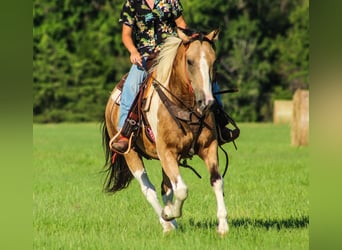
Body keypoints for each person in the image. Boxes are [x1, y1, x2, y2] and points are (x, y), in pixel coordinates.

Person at [112, 0, 239, 153]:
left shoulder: (171, 1)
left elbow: (182, 25)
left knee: (208, 79)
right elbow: (126, 35)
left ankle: (220, 124)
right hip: (145, 56)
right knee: (131, 86)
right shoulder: (132, 3)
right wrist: (133, 51)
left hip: (171, 54)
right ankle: (125, 133)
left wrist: (192, 41)